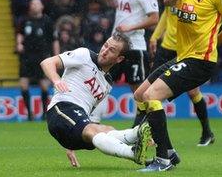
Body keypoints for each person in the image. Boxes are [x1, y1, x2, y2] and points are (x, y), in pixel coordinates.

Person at [135, 0, 222, 172]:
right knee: (140, 95)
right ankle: (171, 152)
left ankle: (163, 158)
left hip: (201, 61)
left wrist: (216, 40)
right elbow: (168, 0)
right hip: (182, 56)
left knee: (152, 94)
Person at [41, 34, 152, 166]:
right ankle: (134, 150)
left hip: (75, 124)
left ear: (119, 58)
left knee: (107, 130)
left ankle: (138, 134)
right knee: (93, 130)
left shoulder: (107, 83)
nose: (105, 51)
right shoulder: (84, 55)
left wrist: (69, 145)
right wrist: (56, 80)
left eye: (112, 50)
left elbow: (87, 116)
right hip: (61, 108)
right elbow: (47, 63)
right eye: (105, 45)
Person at [148, 0, 214, 147]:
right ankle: (147, 136)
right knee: (147, 90)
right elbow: (168, 14)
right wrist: (155, 36)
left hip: (188, 50)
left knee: (192, 92)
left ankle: (206, 131)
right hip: (168, 46)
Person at [109, 0, 159, 126]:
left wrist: (130, 27)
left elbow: (154, 18)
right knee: (103, 82)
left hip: (135, 47)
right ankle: (92, 122)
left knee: (138, 90)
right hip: (115, 46)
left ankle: (147, 129)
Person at [15, 0, 54, 120]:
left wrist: (54, 56)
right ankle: (29, 113)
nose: (34, 5)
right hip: (26, 56)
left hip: (41, 56)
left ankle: (44, 112)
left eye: (37, 3)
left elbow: (53, 40)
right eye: (32, 3)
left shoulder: (47, 21)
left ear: (42, 6)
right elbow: (20, 34)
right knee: (23, 84)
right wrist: (19, 44)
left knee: (43, 85)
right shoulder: (24, 20)